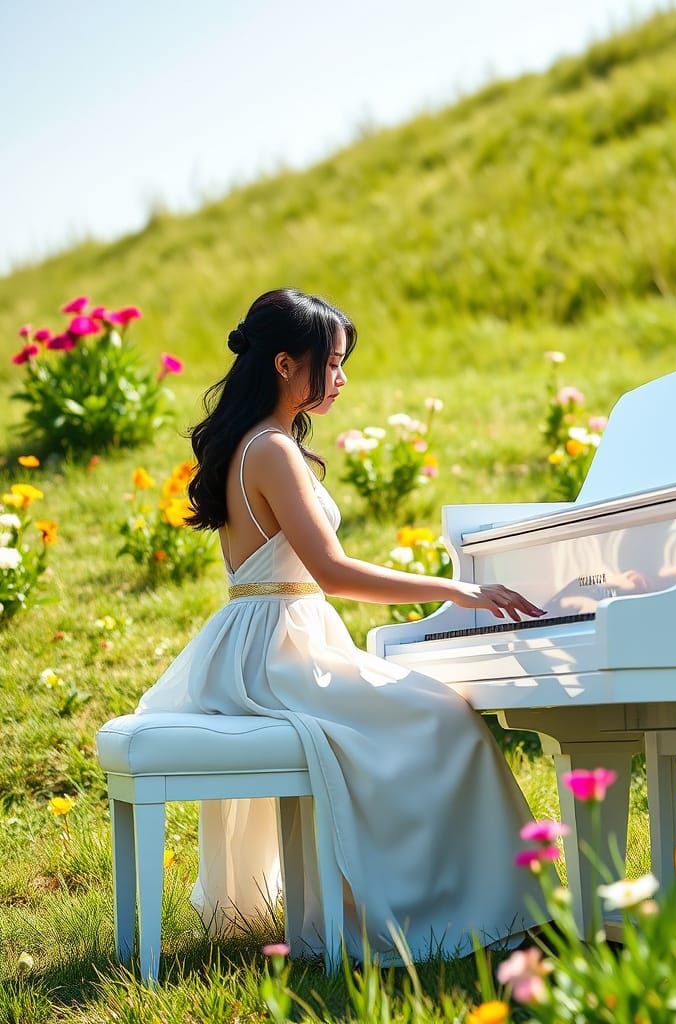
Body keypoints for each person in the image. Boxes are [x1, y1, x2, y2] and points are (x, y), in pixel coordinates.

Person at [134, 286, 550, 965]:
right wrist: (458, 589)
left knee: (432, 716)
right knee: (447, 721)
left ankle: (455, 899)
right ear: (284, 364)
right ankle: (473, 912)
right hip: (282, 650)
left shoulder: (256, 442)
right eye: (331, 362)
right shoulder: (270, 449)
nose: (341, 377)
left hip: (271, 640)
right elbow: (334, 573)